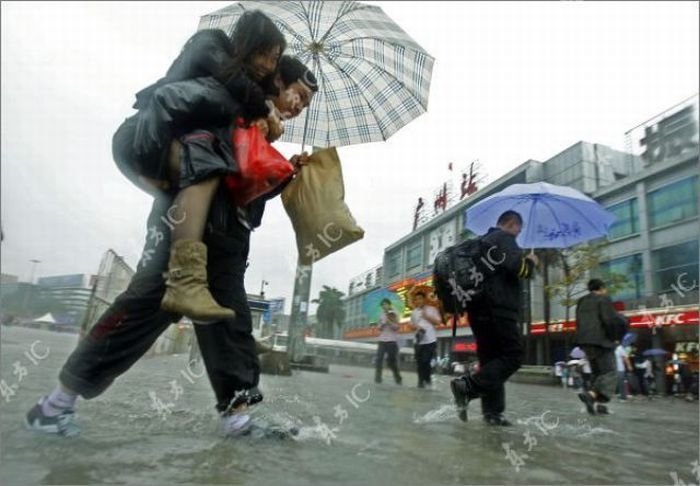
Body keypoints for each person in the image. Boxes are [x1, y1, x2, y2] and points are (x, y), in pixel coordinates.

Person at [25, 53, 318, 438]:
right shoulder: (232, 98)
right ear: (278, 79)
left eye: (306, 104)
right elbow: (204, 157)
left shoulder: (262, 127)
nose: (298, 106)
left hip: (228, 237)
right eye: (297, 94)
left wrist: (284, 170)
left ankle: (238, 420)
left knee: (228, 318)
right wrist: (258, 115)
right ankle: (54, 406)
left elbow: (246, 184)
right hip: (184, 228)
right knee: (145, 306)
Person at [113, 11, 287, 322]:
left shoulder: (244, 94)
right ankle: (186, 283)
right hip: (144, 134)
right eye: (265, 53)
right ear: (247, 42)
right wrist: (264, 108)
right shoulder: (210, 45)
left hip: (174, 151)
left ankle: (229, 324)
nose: (268, 65)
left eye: (274, 59)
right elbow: (230, 82)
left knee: (156, 282)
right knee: (208, 168)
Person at [450, 210, 537, 426]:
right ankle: (468, 387)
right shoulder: (504, 238)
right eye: (519, 229)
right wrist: (531, 262)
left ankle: (492, 413)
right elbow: (520, 269)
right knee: (513, 355)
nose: (518, 234)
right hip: (498, 309)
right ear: (512, 224)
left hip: (477, 310)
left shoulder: (482, 243)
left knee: (491, 360)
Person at [573, 279, 619, 415]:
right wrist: (615, 337)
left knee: (597, 373)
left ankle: (599, 405)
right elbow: (609, 321)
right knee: (610, 372)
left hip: (585, 342)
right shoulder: (603, 299)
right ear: (602, 287)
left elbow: (578, 322)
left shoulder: (581, 301)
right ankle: (591, 395)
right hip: (601, 341)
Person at [410, 291, 440, 388]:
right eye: (416, 299)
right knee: (419, 363)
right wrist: (415, 327)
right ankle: (420, 382)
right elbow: (411, 325)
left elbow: (438, 322)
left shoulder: (432, 309)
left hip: (430, 341)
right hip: (418, 340)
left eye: (420, 299)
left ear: (424, 299)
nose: (418, 301)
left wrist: (427, 317)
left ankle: (427, 379)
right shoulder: (414, 312)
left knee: (426, 361)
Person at [374, 299, 403, 385]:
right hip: (382, 340)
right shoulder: (381, 315)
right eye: (383, 305)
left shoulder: (394, 314)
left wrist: (389, 322)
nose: (384, 306)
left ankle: (397, 377)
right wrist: (382, 324)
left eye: (386, 304)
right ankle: (378, 378)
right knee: (379, 359)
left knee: (391, 361)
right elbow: (378, 328)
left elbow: (397, 327)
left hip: (392, 341)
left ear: (389, 305)